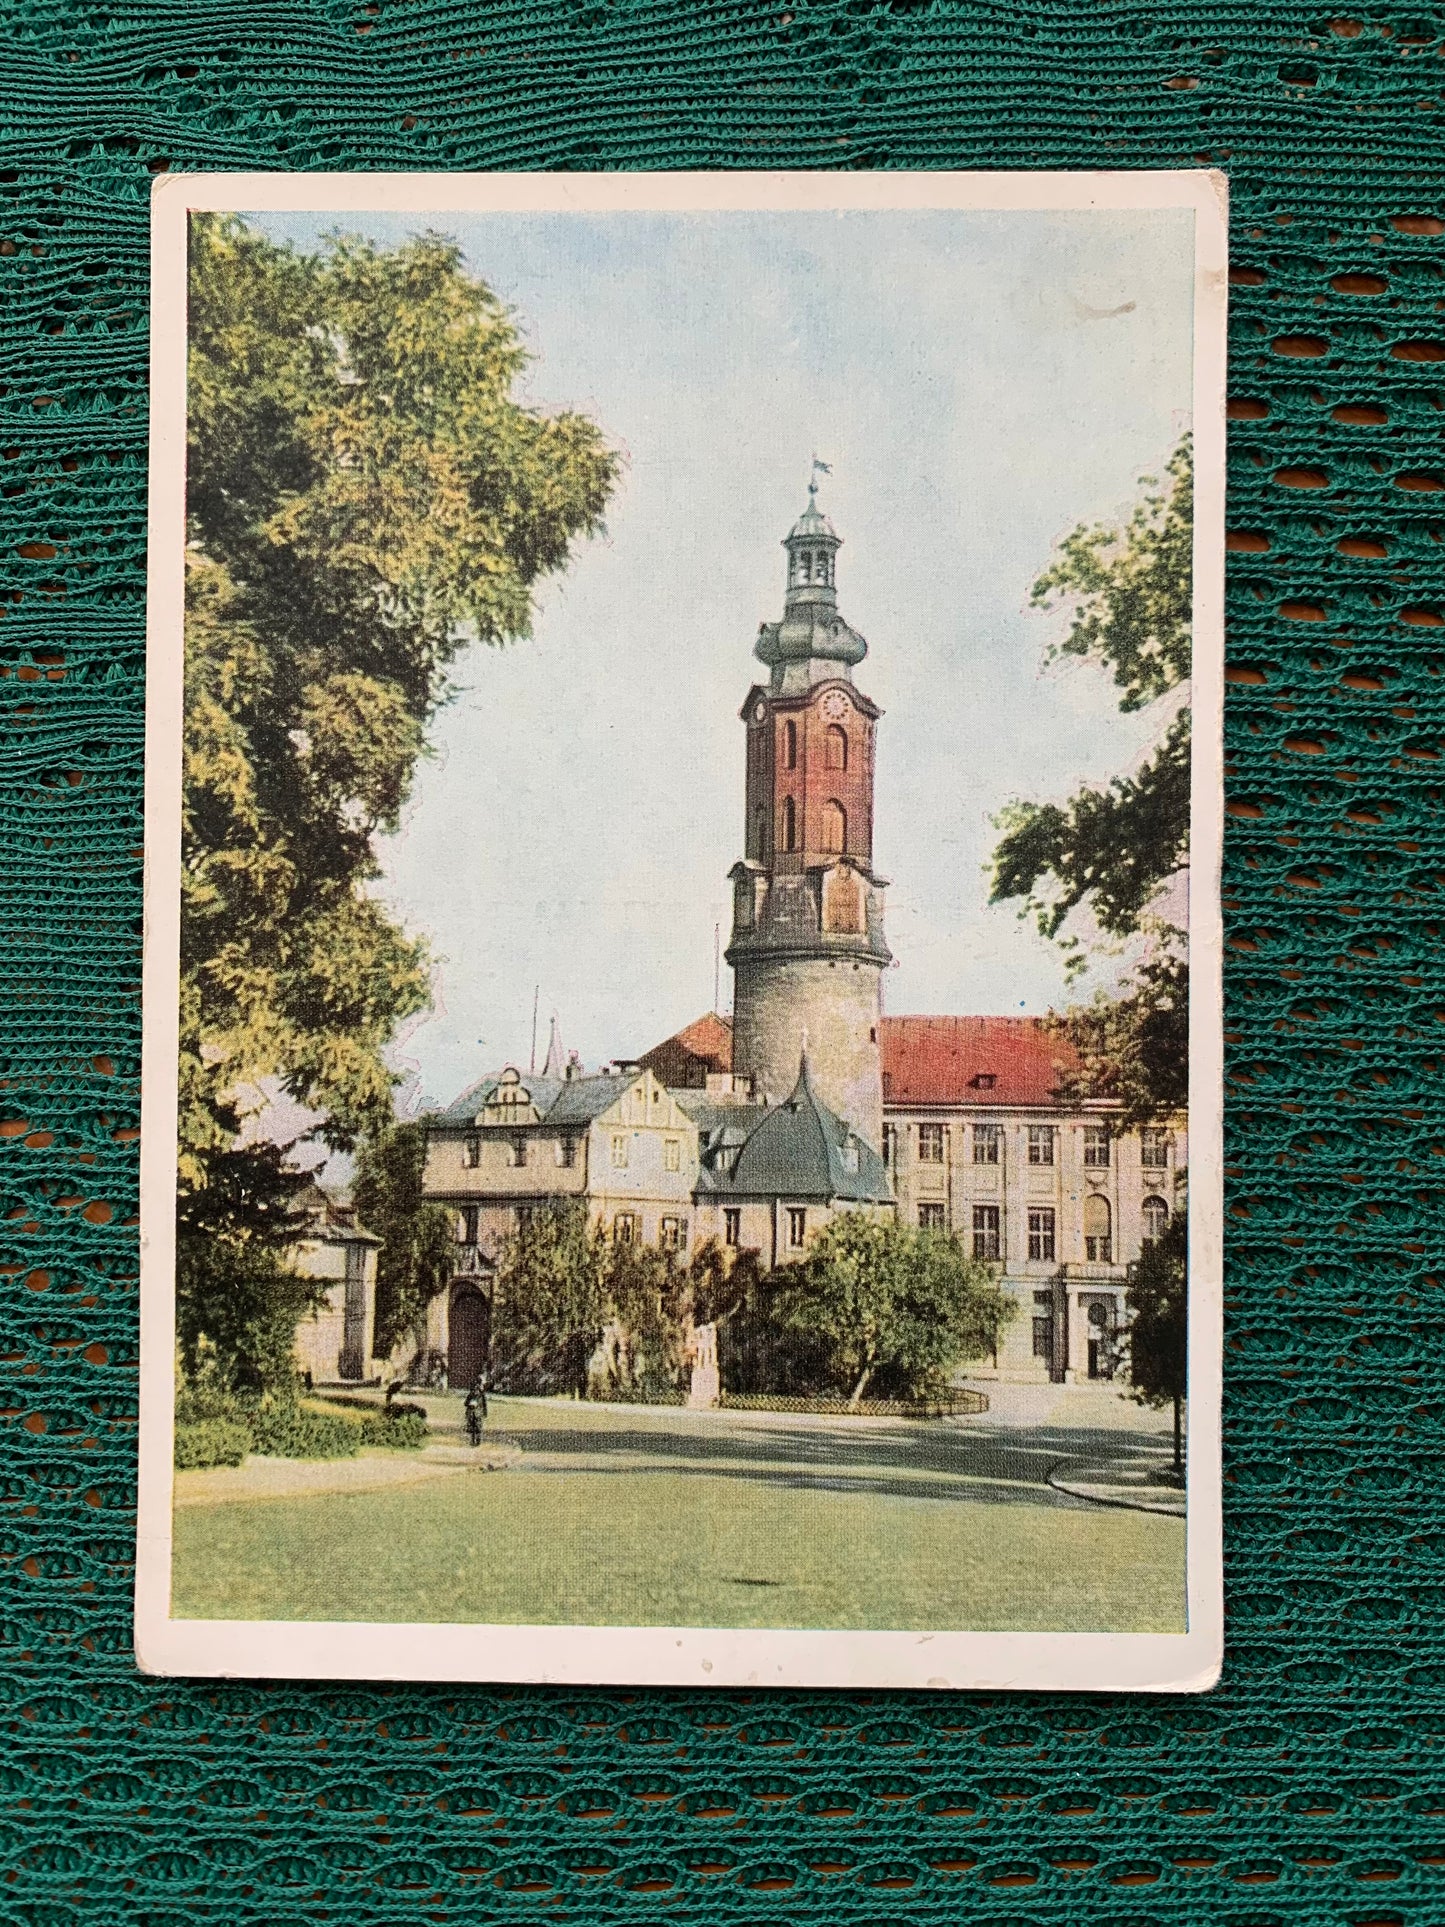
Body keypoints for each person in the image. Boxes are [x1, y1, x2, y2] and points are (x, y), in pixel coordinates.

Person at [464, 1371, 488, 1448]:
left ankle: (475, 1441)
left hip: (475, 1412)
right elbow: (466, 1403)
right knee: (475, 1427)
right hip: (476, 1412)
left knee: (475, 1427)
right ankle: (475, 1441)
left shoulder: (478, 1394)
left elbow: (466, 1403)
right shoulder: (479, 1394)